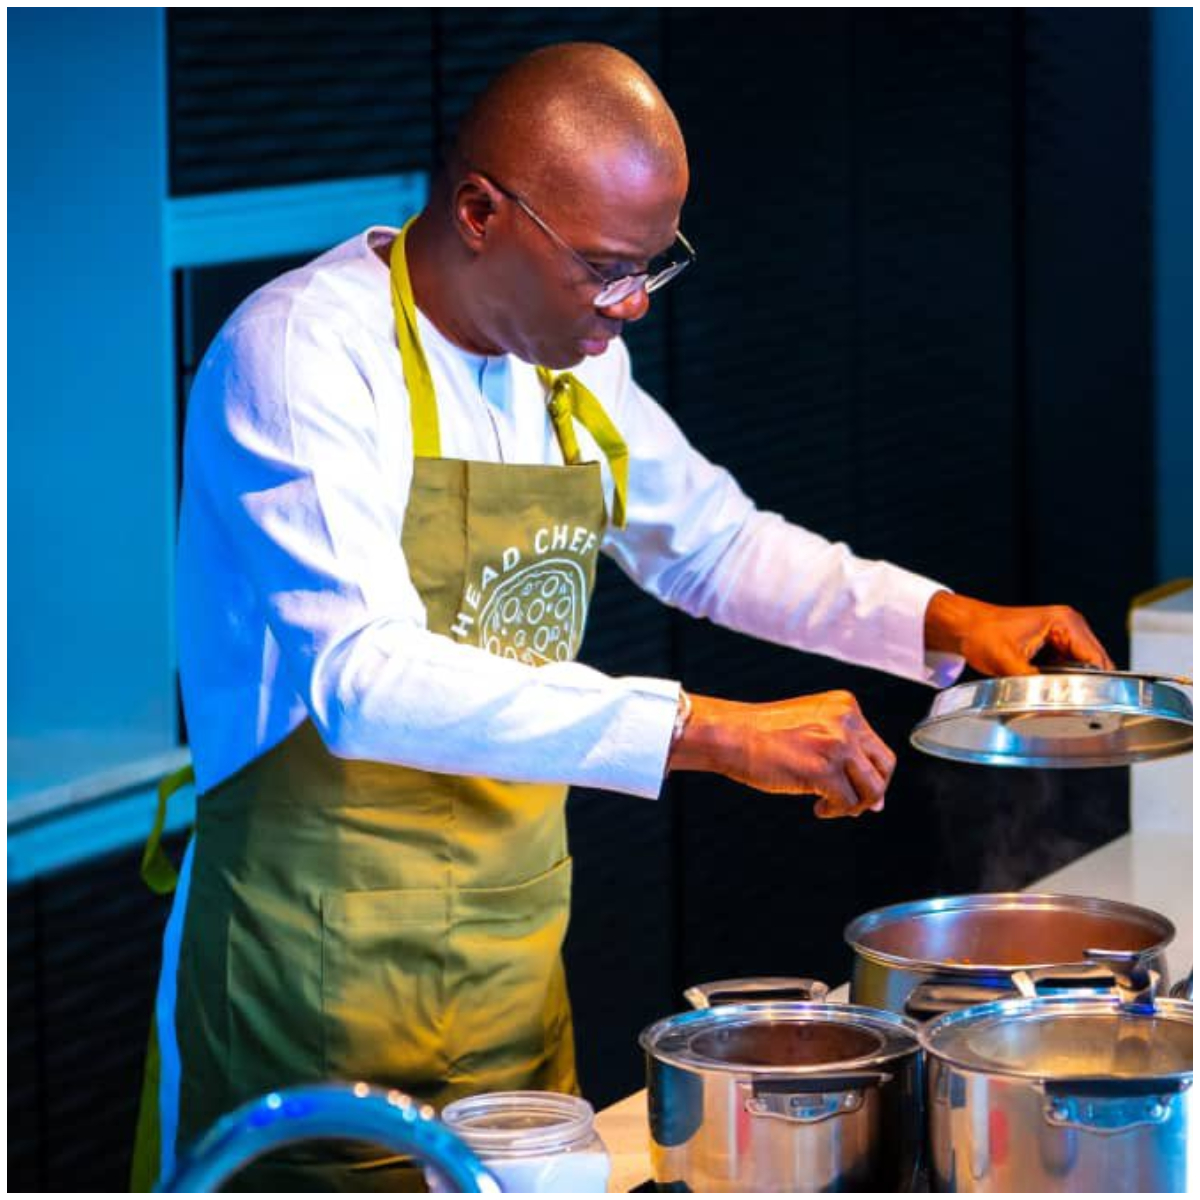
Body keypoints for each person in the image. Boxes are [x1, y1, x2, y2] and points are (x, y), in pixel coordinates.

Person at [134, 41, 1112, 1190]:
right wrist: (711, 730)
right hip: (304, 989)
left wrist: (945, 619)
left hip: (507, 968)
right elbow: (363, 677)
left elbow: (712, 544)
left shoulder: (568, 364)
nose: (632, 304)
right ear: (481, 210)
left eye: (653, 266)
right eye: (604, 267)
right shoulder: (303, 352)